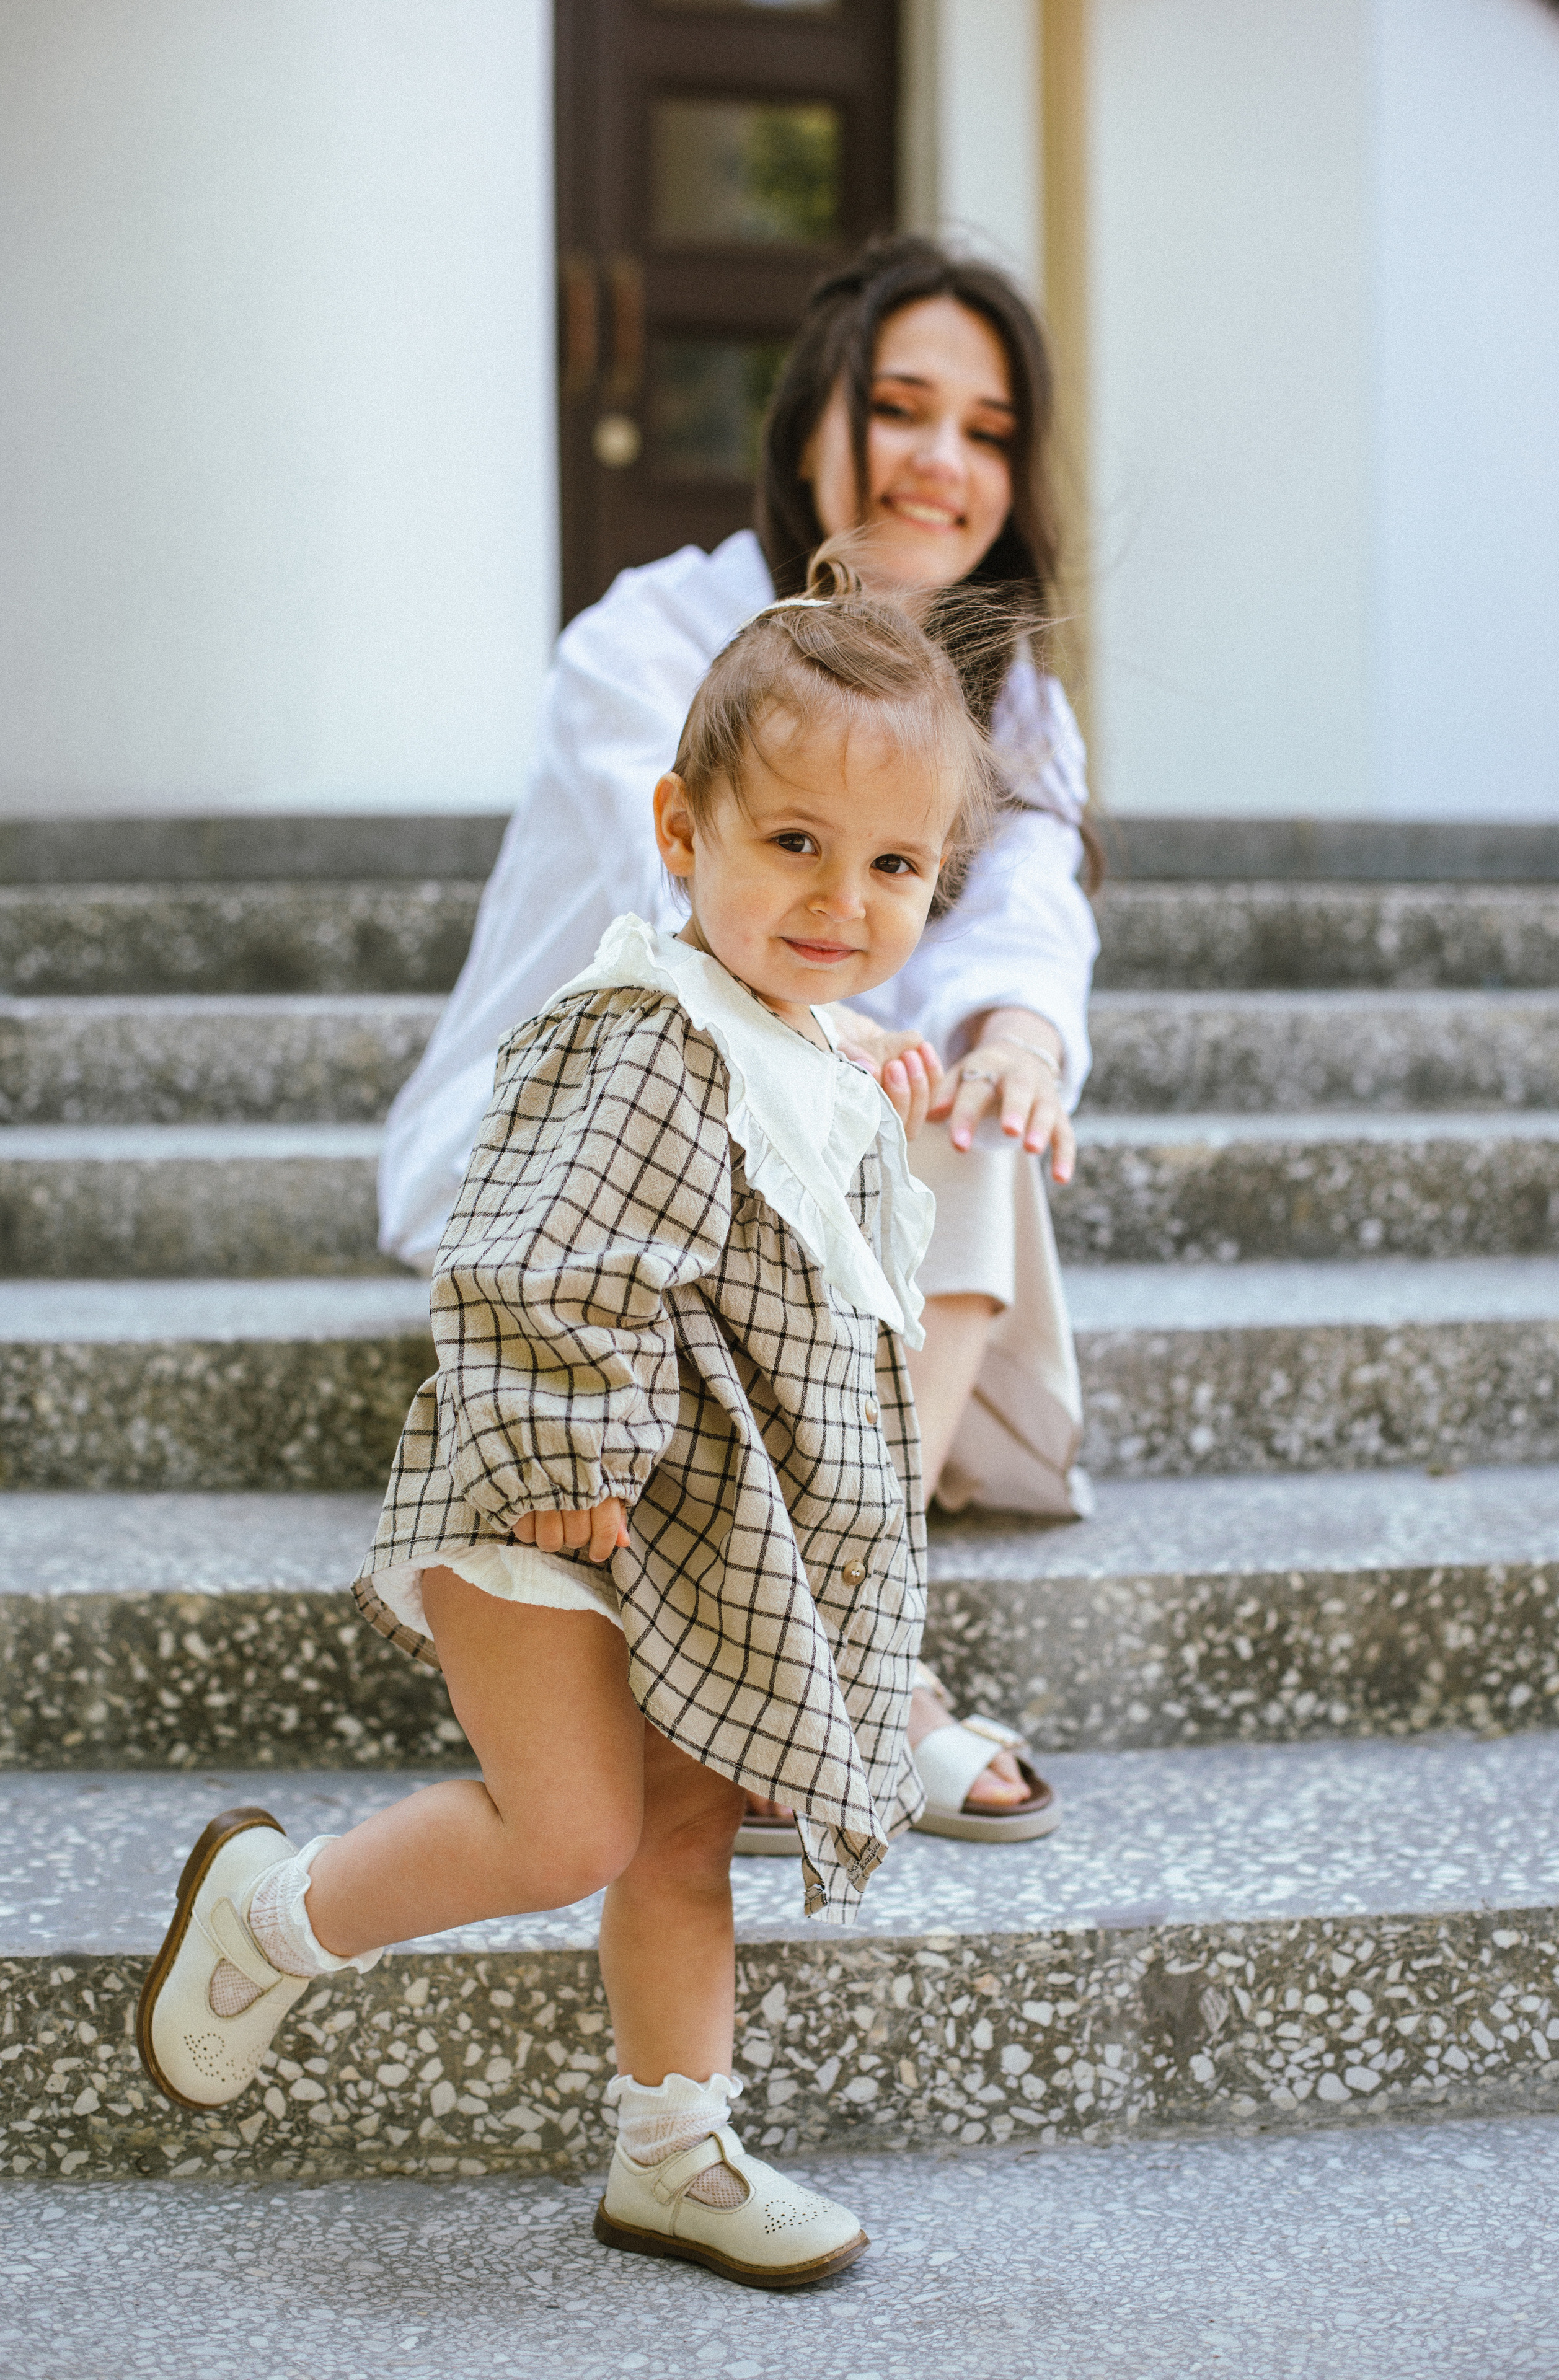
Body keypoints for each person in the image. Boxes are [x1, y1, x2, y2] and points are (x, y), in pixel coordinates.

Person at [139, 562, 1026, 2288]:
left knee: (691, 1833)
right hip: (553, 1511)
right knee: (572, 1832)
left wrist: (877, 1103)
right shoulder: (646, 1036)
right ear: (680, 831)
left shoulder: (804, 1042)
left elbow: (818, 1281)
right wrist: (569, 1460)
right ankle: (270, 1916)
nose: (842, 901)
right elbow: (535, 1262)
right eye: (794, 846)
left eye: (895, 866)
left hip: (689, 1528)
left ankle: (674, 2150)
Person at [379, 234, 1098, 1843]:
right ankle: (858, 1671)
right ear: (808, 426)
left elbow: (1027, 912)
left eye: (987, 432)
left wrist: (1019, 1042)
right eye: (904, 407)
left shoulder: (1007, 694)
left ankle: (842, 1643)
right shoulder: (647, 639)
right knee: (887, 1097)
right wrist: (898, 1056)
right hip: (591, 1156)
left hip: (806, 1167)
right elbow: (731, 944)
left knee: (972, 1112)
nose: (943, 461)